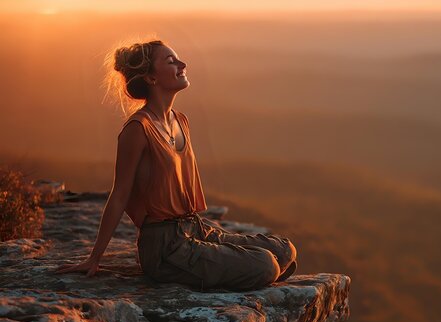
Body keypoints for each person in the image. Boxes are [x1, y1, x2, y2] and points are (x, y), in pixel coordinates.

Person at [53, 39, 297, 291]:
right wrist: (95, 258)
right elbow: (120, 194)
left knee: (284, 248)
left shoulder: (180, 121)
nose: (183, 64)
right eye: (171, 62)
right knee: (266, 264)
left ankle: (246, 269)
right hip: (165, 247)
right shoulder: (138, 129)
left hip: (195, 228)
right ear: (151, 78)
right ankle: (253, 271)